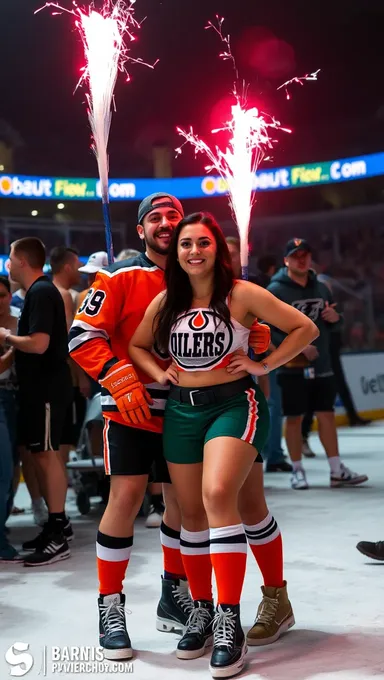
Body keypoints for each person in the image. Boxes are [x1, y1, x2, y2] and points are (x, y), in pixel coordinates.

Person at [69, 194, 272, 661]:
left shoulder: (204, 279)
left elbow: (241, 335)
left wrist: (252, 341)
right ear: (141, 230)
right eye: (154, 218)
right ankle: (110, 605)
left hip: (188, 411)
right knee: (126, 498)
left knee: (183, 507)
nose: (165, 224)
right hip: (132, 411)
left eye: (173, 218)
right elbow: (82, 335)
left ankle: (176, 593)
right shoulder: (119, 277)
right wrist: (121, 380)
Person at [129, 212, 318, 678]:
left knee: (217, 496)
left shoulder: (242, 294)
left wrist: (266, 363)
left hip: (234, 405)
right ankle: (204, 610)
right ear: (177, 252)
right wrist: (159, 373)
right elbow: (135, 346)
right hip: (181, 410)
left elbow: (304, 329)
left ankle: (230, 619)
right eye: (186, 244)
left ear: (219, 248)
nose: (194, 251)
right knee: (203, 510)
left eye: (203, 243)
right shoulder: (167, 300)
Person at [267, 238, 369, 490]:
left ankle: (336, 470)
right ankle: (297, 470)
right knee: (293, 418)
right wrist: (298, 346)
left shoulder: (322, 288)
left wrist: (337, 318)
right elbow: (267, 329)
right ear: (286, 260)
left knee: (327, 414)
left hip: (321, 363)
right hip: (291, 366)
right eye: (296, 255)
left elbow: (334, 322)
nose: (302, 259)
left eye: (306, 255)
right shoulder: (275, 291)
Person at [0, 237, 73, 566]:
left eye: (11, 258)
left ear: (24, 261)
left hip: (45, 389)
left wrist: (6, 337)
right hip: (42, 388)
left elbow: (39, 344)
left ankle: (58, 529)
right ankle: (56, 526)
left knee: (46, 457)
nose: (8, 264)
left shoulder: (42, 292)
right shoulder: (40, 292)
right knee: (46, 456)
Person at [226, 239, 290, 473]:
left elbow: (272, 321)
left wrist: (265, 355)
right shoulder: (204, 287)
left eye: (234, 254)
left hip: (256, 358)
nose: (228, 258)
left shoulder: (253, 284)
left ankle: (272, 454)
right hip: (228, 369)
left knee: (270, 404)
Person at [50, 246, 89, 465]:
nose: (80, 271)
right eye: (77, 266)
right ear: (67, 267)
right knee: (63, 443)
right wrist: (81, 376)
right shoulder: (63, 295)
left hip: (57, 378)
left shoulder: (49, 291)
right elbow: (69, 340)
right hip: (67, 379)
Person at [0, 276, 23, 562]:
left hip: (18, 398)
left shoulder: (20, 317)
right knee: (3, 471)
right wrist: (19, 346)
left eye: (3, 295)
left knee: (13, 466)